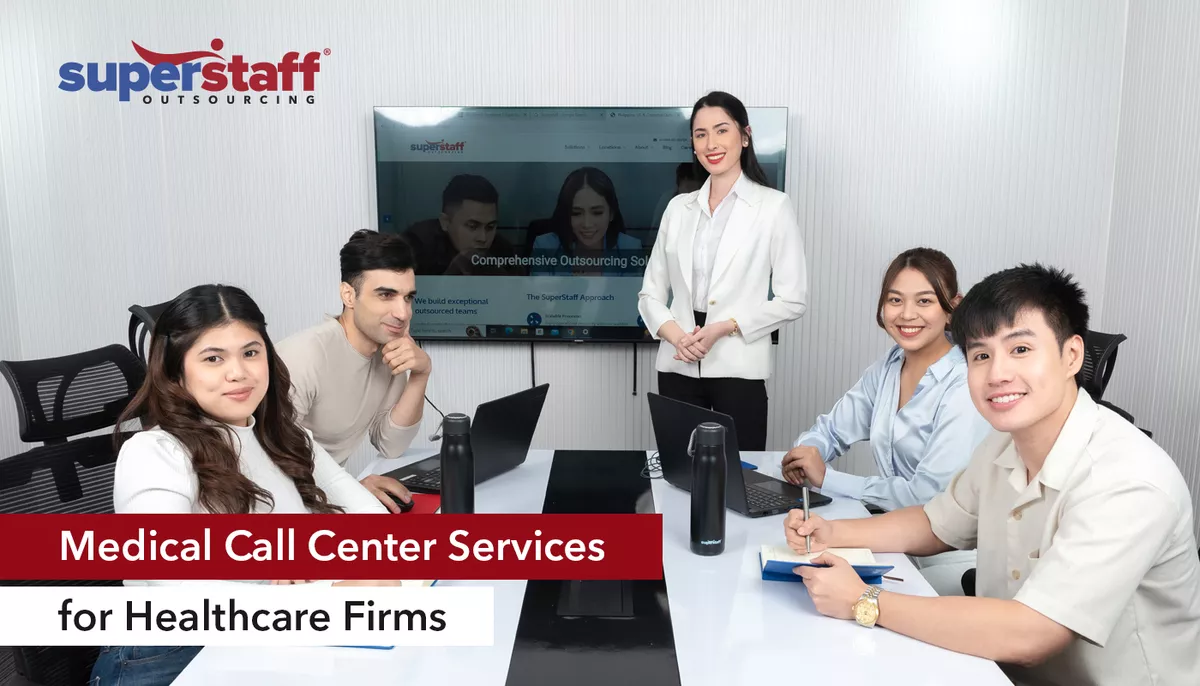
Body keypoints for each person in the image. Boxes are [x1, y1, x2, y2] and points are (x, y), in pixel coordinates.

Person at [783, 264, 1200, 686]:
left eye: (1020, 349)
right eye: (981, 355)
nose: (997, 373)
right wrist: (830, 533)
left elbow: (1032, 634)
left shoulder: (1129, 480)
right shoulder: (1004, 442)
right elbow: (934, 523)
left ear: (1072, 355)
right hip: (1000, 670)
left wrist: (863, 600)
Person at [91, 284, 397, 685]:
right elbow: (172, 582)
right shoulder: (154, 452)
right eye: (213, 358)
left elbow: (372, 522)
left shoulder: (285, 437)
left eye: (251, 353)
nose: (238, 372)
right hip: (170, 659)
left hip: (257, 642)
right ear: (176, 373)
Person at [781, 247, 992, 595]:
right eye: (895, 300)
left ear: (953, 307)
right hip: (894, 541)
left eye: (924, 301)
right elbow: (832, 428)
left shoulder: (964, 383)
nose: (907, 314)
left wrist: (829, 479)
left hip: (951, 561)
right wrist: (808, 453)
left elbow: (927, 499)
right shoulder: (891, 364)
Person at [638, 91, 808, 451]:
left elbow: (793, 299)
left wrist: (724, 328)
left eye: (721, 130)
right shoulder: (678, 209)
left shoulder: (773, 207)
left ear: (744, 137)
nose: (711, 143)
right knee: (680, 476)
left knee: (739, 477)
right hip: (678, 365)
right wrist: (676, 337)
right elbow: (650, 294)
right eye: (701, 135)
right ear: (693, 145)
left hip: (739, 369)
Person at [276, 230, 431, 513]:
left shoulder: (388, 350)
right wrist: (348, 490)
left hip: (327, 499)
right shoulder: (303, 356)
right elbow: (272, 465)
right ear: (348, 294)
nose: (403, 312)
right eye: (386, 295)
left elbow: (391, 445)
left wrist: (421, 374)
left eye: (408, 298)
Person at [530, 166, 643, 276]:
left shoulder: (630, 248)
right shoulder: (545, 247)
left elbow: (632, 294)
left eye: (597, 212)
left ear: (611, 213)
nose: (587, 224)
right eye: (576, 213)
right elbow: (540, 293)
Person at [403, 174, 521, 275]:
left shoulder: (502, 250)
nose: (483, 238)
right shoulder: (418, 245)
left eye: (490, 227)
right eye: (472, 226)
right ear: (445, 222)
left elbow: (519, 294)